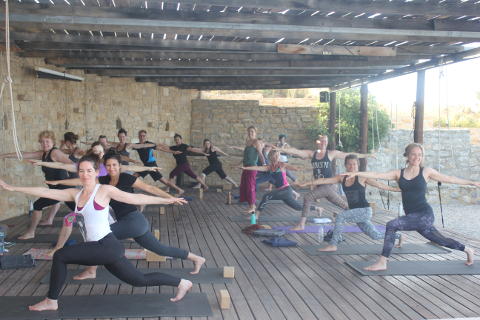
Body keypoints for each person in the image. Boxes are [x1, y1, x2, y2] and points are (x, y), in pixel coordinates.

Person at [0, 154, 192, 312]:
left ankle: (52, 300)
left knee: (60, 255)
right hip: (105, 249)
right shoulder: (73, 194)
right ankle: (182, 283)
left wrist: (167, 200)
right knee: (138, 280)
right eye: (81, 171)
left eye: (89, 171)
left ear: (96, 172)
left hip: (106, 245)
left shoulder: (104, 190)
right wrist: (13, 187)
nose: (85, 174)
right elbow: (44, 190)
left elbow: (135, 197)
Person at [46, 152, 205, 280]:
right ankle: (196, 258)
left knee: (98, 238)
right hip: (131, 223)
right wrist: (58, 182)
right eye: (108, 165)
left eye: (114, 165)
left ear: (120, 166)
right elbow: (80, 179)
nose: (111, 168)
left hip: (133, 221)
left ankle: (91, 270)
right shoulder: (103, 180)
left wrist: (169, 198)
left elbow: (149, 188)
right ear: (104, 167)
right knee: (160, 249)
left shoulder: (127, 178)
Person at [342, 143, 478, 271]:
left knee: (392, 224)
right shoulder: (398, 173)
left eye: (420, 155)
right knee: (440, 240)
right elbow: (377, 175)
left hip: (424, 215)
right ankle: (467, 249)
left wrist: (472, 182)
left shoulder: (426, 172)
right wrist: (357, 173)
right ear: (407, 155)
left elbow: (450, 178)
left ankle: (383, 262)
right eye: (413, 154)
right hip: (412, 216)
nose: (417, 157)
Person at [297, 154, 403, 251]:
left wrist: (396, 189)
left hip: (364, 210)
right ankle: (398, 236)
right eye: (349, 164)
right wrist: (307, 183)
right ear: (345, 165)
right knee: (375, 235)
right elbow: (324, 181)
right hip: (355, 211)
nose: (352, 167)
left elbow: (380, 185)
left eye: (354, 164)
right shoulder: (341, 178)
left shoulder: (362, 177)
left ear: (358, 165)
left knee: (340, 217)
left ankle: (333, 244)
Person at [275, 134, 373, 230]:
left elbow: (348, 155)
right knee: (343, 205)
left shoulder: (331, 153)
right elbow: (296, 151)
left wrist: (367, 155)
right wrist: (281, 149)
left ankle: (301, 225)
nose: (323, 143)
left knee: (308, 197)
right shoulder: (312, 154)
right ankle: (363, 220)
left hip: (328, 185)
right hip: (321, 186)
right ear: (318, 142)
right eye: (321, 141)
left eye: (325, 141)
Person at [0, 130, 76, 239]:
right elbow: (23, 154)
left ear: (53, 142)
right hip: (56, 189)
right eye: (42, 142)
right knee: (80, 209)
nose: (45, 144)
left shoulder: (55, 153)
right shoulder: (43, 154)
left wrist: (70, 180)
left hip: (63, 189)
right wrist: (3, 156)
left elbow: (73, 166)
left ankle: (31, 232)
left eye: (47, 141)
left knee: (38, 205)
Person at [242, 150, 302, 220]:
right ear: (270, 157)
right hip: (282, 191)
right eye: (275, 156)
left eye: (277, 156)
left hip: (286, 190)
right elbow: (257, 168)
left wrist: (298, 168)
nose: (276, 157)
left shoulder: (282, 165)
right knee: (298, 207)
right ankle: (317, 208)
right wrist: (245, 168)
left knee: (266, 196)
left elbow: (294, 168)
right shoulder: (269, 167)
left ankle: (256, 216)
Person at [133, 129, 184, 194]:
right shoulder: (137, 145)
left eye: (143, 136)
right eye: (141, 136)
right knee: (163, 181)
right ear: (138, 136)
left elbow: (161, 149)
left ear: (146, 136)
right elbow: (128, 146)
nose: (142, 137)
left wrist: (173, 152)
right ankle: (179, 190)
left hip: (151, 165)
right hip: (147, 165)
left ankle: (179, 190)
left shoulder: (149, 144)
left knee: (134, 176)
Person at [238, 126, 266, 213]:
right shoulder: (247, 142)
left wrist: (264, 164)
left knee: (250, 186)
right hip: (245, 167)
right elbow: (245, 156)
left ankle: (253, 206)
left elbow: (260, 154)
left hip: (252, 167)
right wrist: (237, 164)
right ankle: (250, 206)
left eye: (252, 131)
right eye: (249, 131)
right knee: (244, 186)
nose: (250, 133)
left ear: (255, 132)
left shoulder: (256, 142)